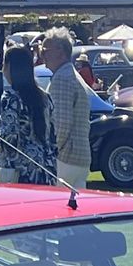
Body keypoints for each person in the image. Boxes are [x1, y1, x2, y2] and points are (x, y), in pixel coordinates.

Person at [0, 45, 57, 184]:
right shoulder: (45, 98)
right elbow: (54, 137)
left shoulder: (11, 99)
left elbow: (9, 141)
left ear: (9, 67)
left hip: (20, 174)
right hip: (46, 171)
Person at [42, 27, 91, 189]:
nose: (42, 55)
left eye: (46, 50)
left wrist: (49, 154)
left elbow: (60, 125)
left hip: (65, 159)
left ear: (61, 52)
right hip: (80, 158)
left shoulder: (62, 79)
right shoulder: (73, 76)